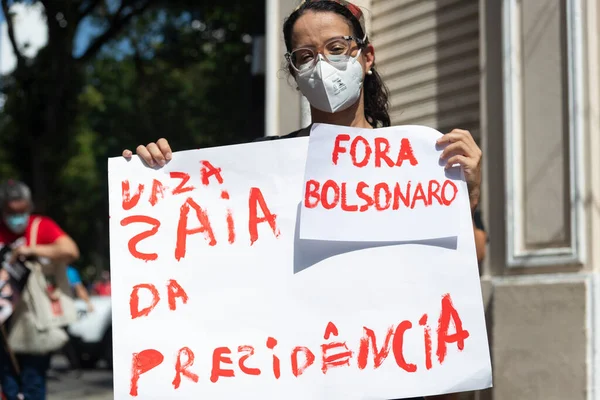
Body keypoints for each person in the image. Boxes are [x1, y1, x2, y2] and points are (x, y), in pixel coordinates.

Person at [122, 1, 486, 398]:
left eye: (336, 47)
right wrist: (148, 182)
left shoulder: (418, 161)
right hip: (306, 377)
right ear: (294, 73)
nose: (323, 65)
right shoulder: (263, 169)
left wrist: (468, 193)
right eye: (305, 56)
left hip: (397, 376)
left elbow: (466, 259)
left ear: (366, 57)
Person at [0, 179, 79, 400]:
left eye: (22, 211)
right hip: (4, 324)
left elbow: (70, 250)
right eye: (11, 212)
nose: (17, 217)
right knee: (8, 384)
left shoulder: (40, 226)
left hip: (34, 319)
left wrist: (30, 250)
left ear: (29, 206)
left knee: (33, 381)